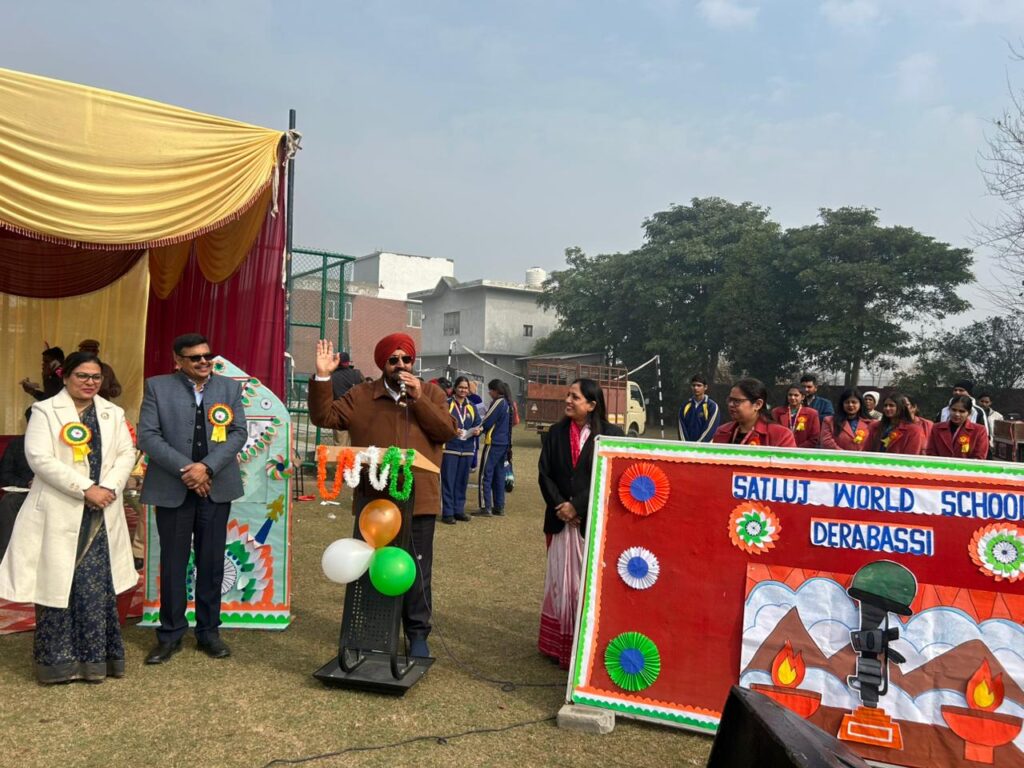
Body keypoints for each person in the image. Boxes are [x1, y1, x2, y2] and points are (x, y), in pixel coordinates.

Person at [308, 333, 457, 657]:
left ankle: (417, 634)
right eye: (393, 360)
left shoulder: (431, 393)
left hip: (418, 499)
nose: (400, 365)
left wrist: (419, 399)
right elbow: (324, 417)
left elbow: (446, 431)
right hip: (374, 500)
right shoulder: (361, 395)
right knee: (372, 566)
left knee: (417, 570)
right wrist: (322, 377)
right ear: (382, 364)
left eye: (406, 359)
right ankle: (372, 631)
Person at [0, 352, 137, 683]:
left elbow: (125, 454)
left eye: (95, 377)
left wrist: (108, 488)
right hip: (60, 509)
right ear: (65, 377)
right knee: (57, 586)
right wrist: (86, 489)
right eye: (82, 376)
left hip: (102, 511)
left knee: (95, 587)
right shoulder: (45, 411)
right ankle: (57, 665)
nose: (90, 382)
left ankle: (97, 662)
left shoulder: (113, 413)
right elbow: (39, 458)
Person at [138, 333, 247, 664]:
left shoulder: (229, 388)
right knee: (173, 563)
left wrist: (207, 468)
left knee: (211, 562)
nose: (203, 362)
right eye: (195, 357)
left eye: (207, 356)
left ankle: (209, 632)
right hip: (173, 487)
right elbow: (148, 436)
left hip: (216, 488)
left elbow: (238, 433)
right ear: (178, 360)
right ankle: (170, 634)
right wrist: (188, 471)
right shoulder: (157, 387)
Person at [538, 378, 624, 668]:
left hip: (592, 522)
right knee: (560, 585)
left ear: (592, 404)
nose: (568, 401)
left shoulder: (611, 435)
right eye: (568, 395)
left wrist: (578, 506)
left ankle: (584, 648)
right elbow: (544, 474)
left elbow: (611, 474)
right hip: (560, 520)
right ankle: (556, 646)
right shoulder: (555, 432)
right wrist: (562, 506)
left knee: (585, 586)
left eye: (575, 397)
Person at [440, 377, 481, 525]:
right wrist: (452, 430)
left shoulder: (472, 406)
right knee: (448, 481)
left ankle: (458, 510)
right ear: (455, 388)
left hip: (467, 449)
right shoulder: (447, 404)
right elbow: (441, 422)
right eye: (461, 387)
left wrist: (478, 431)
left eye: (466, 388)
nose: (463, 390)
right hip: (450, 448)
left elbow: (478, 423)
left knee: (462, 482)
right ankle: (448, 513)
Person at [712, 378, 797, 447]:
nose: (731, 404)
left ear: (757, 404)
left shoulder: (781, 435)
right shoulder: (721, 431)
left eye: (737, 401)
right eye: (730, 400)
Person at [473, 379, 513, 517]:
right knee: (499, 475)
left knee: (485, 474)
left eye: (490, 390)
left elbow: (488, 419)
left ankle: (485, 507)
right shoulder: (508, 403)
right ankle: (499, 506)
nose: (489, 393)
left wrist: (479, 429)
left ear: (496, 390)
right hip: (503, 443)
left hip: (493, 442)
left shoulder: (498, 402)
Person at [0, 408, 35, 560]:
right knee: (9, 501)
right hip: (25, 493)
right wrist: (27, 483)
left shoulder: (63, 443)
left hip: (55, 492)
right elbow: (4, 474)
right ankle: (4, 558)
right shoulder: (16, 444)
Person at [926, 394, 989, 460]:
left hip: (967, 466)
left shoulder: (979, 431)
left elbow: (979, 456)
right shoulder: (936, 428)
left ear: (969, 413)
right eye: (954, 410)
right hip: (940, 465)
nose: (957, 414)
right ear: (949, 410)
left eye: (962, 411)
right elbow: (930, 452)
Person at [329, 352, 363, 447]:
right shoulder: (357, 374)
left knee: (340, 445)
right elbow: (366, 389)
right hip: (356, 413)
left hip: (339, 414)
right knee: (356, 445)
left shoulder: (331, 376)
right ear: (348, 362)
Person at [771, 385, 821, 449]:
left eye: (796, 395)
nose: (792, 397)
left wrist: (797, 449)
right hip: (781, 450)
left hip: (803, 451)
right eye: (790, 395)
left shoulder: (812, 414)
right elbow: (773, 434)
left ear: (802, 397)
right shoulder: (776, 412)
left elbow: (814, 438)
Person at [677, 374, 721, 442]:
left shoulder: (712, 406)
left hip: (704, 447)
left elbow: (710, 430)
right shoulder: (684, 406)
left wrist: (698, 446)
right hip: (687, 447)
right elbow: (681, 429)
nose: (695, 388)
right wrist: (686, 445)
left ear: (705, 387)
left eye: (699, 385)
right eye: (693, 385)